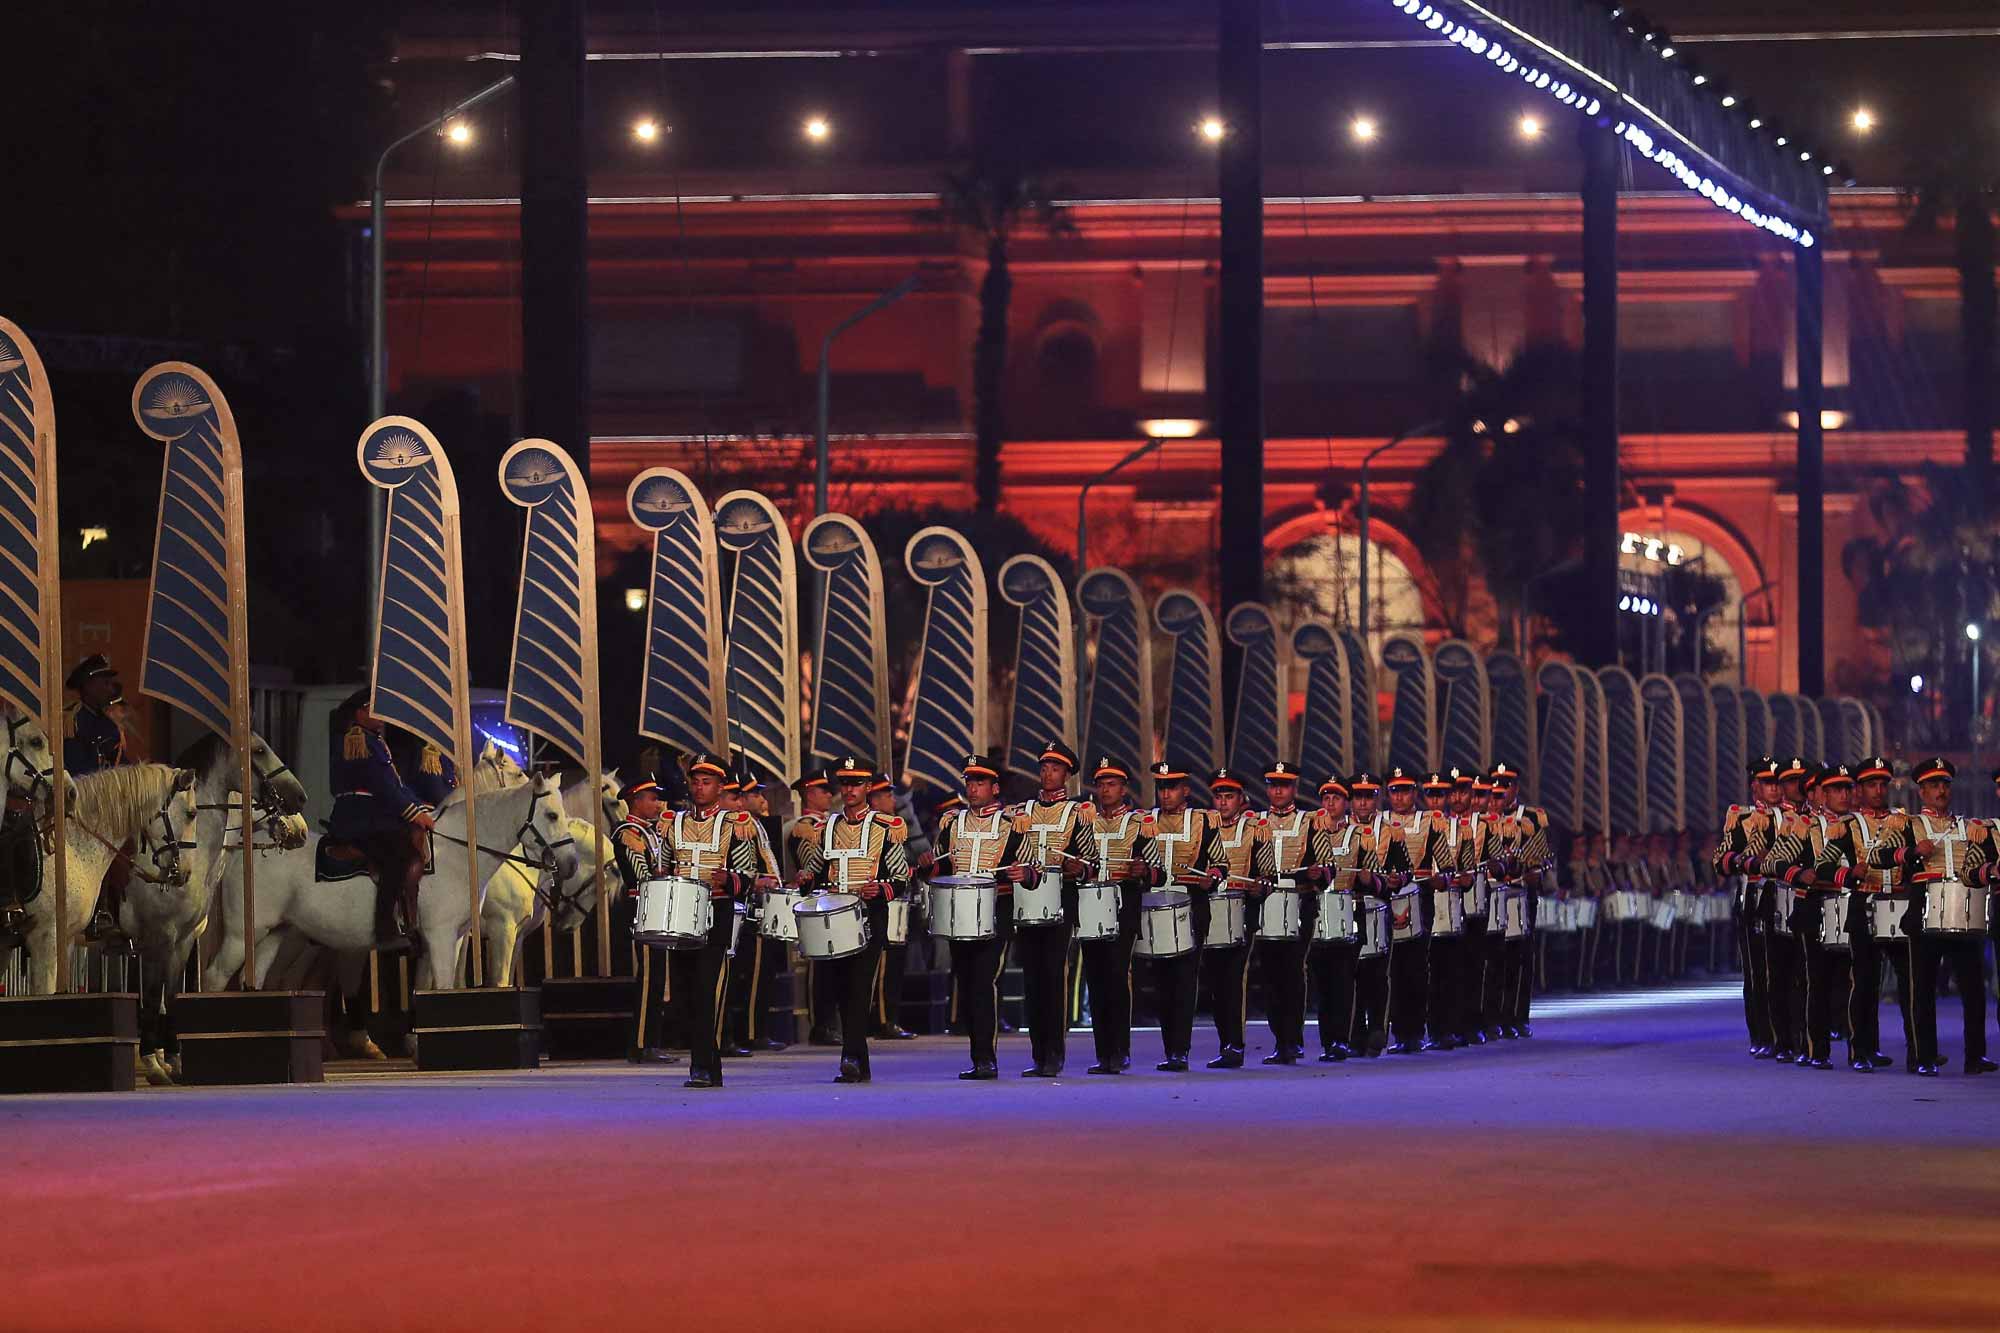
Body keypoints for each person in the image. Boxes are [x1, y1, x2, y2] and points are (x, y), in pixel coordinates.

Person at [796, 756, 912, 1083]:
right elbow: (816, 869)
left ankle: (850, 1056)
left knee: (860, 988)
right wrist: (806, 878)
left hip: (869, 915)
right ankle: (857, 1061)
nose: (849, 790)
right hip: (835, 916)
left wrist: (882, 888)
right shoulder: (828, 827)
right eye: (845, 783)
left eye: (856, 783)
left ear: (868, 787)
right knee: (841, 988)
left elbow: (901, 877)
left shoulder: (885, 827)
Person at [653, 751, 763, 1089]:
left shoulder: (735, 825)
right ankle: (708, 1065)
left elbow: (748, 874)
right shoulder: (673, 823)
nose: (699, 788)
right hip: (679, 914)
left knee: (706, 991)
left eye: (707, 782)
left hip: (716, 913)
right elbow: (664, 865)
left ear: (720, 787)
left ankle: (701, 1065)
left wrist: (729, 880)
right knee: (684, 994)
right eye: (696, 781)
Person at [927, 753, 1021, 1079]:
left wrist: (1024, 874)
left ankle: (986, 1059)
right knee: (967, 983)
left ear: (995, 788)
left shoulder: (1012, 824)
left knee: (984, 981)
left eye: (980, 782)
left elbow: (1031, 868)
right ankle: (977, 1055)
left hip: (995, 912)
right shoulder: (952, 823)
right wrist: (927, 865)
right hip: (959, 913)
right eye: (969, 781)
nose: (973, 788)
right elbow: (941, 864)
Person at [1897, 757, 1993, 1077]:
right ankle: (1923, 1056)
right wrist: (1912, 852)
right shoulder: (1907, 825)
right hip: (1924, 911)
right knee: (1922, 989)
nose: (1941, 790)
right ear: (1921, 791)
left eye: (1945, 784)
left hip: (1963, 913)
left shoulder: (1968, 827)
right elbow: (1882, 858)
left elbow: (1979, 864)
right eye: (1934, 785)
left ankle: (1975, 1056)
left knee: (1974, 989)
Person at [324, 688, 436, 953]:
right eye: (373, 709)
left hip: (373, 816)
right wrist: (414, 814)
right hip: (359, 819)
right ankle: (386, 928)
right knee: (400, 857)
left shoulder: (373, 740)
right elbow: (383, 786)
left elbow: (396, 785)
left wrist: (422, 809)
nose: (381, 715)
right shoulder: (357, 740)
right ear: (359, 713)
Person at [1008, 741, 1091, 1078]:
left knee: (1054, 977)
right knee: (1032, 979)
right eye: (1044, 767)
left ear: (1066, 775)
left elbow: (1090, 862)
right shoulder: (1021, 811)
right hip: (1026, 901)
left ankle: (1055, 1053)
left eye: (1055, 768)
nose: (1047, 773)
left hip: (1060, 902)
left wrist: (1077, 867)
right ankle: (1038, 1053)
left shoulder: (1077, 812)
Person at [1075, 756, 1156, 1074]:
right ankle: (1103, 1053)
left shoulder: (1140, 823)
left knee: (1118, 976)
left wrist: (1143, 871)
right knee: (1095, 980)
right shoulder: (1086, 822)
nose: (1105, 790)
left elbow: (1157, 869)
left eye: (1112, 784)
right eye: (1101, 784)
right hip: (1090, 905)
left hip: (1124, 907)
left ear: (1124, 788)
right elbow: (1079, 860)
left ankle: (1120, 1050)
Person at [1143, 760, 1213, 1071]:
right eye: (1161, 787)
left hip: (1190, 909)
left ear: (1185, 790)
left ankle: (1180, 1050)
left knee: (1184, 981)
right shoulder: (1145, 821)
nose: (1165, 793)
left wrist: (1212, 877)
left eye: (1171, 787)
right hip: (1155, 909)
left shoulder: (1203, 821)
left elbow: (1220, 863)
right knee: (1161, 984)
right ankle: (1169, 1047)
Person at [1195, 767, 1265, 1069]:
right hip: (1209, 911)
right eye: (1219, 796)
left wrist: (1259, 887)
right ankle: (1225, 1043)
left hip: (1242, 913)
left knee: (1234, 980)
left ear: (1241, 798)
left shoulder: (1255, 829)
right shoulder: (1202, 827)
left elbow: (1267, 874)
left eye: (1229, 796)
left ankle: (1235, 1044)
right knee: (1215, 983)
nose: (1223, 802)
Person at [1714, 757, 1781, 1057]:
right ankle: (1761, 1034)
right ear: (1755, 786)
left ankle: (1787, 1036)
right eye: (1767, 783)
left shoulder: (1794, 819)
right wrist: (1746, 861)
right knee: (1757, 972)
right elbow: (1721, 859)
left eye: (1777, 782)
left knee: (1786, 971)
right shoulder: (1743, 819)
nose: (1774, 789)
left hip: (1786, 899)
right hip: (1754, 900)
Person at [1376, 766, 1446, 1054]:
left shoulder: (1430, 822)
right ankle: (1398, 1031)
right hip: (1385, 899)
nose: (1399, 797)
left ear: (1414, 793)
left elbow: (1447, 866)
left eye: (1404, 791)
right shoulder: (1378, 823)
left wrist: (1438, 878)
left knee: (1415, 968)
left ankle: (1415, 1031)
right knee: (1390, 969)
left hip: (1420, 899)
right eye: (1394, 791)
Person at [1255, 760, 1319, 1065]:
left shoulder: (1311, 822)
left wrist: (1316, 874)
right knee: (1270, 975)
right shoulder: (1255, 823)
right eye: (1273, 785)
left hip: (1299, 905)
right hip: (1265, 906)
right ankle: (1280, 1039)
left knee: (1293, 972)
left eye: (1284, 785)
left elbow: (1327, 868)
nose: (1278, 791)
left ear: (1294, 788)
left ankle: (1293, 1040)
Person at [611, 775, 676, 1065]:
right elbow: (641, 876)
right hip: (643, 908)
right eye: (652, 798)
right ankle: (640, 1045)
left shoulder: (649, 832)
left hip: (656, 907)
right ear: (635, 801)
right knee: (650, 978)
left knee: (658, 978)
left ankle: (652, 1042)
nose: (657, 803)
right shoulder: (628, 833)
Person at [722, 764, 784, 1057]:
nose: (761, 799)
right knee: (751, 971)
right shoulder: (733, 825)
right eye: (750, 795)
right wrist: (755, 881)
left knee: (762, 971)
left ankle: (755, 1030)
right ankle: (749, 1032)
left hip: (756, 902)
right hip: (743, 903)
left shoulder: (753, 824)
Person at [1310, 775, 1373, 1061]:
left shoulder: (1360, 835)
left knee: (1345, 981)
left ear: (1346, 803)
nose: (1330, 803)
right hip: (1317, 915)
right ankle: (1328, 1041)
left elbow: (1377, 879)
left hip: (1350, 913)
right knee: (1323, 984)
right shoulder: (1310, 834)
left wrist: (1366, 879)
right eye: (1325, 798)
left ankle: (1344, 1039)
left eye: (1336, 798)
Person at [1488, 762, 1550, 1038]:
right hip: (1492, 893)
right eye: (1495, 787)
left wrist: (1535, 871)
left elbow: (1542, 857)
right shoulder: (1483, 819)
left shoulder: (1532, 817)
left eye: (1506, 786)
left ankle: (1517, 1016)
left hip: (1521, 891)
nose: (1500, 792)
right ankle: (1493, 1016)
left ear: (1515, 788)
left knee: (1520, 956)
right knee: (1493, 957)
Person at [786, 769, 843, 1046]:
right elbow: (810, 867)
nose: (830, 795)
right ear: (809, 794)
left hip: (834, 901)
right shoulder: (806, 827)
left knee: (835, 966)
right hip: (816, 899)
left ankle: (831, 1022)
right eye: (824, 790)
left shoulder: (830, 824)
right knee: (819, 967)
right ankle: (820, 1025)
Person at [866, 773, 918, 1040]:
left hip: (896, 897)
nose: (892, 799)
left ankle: (889, 1018)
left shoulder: (894, 826)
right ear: (873, 799)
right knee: (884, 962)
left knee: (895, 962)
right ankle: (883, 1020)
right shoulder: (872, 828)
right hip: (877, 900)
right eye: (886, 795)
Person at [1419, 770, 1465, 1051]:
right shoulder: (1415, 826)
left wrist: (1455, 878)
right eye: (1431, 794)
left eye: (1441, 794)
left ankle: (1449, 1028)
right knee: (1424, 972)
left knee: (1450, 971)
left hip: (1450, 903)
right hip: (1423, 903)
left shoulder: (1461, 828)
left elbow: (1467, 867)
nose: (1436, 800)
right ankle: (1428, 1029)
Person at [1348, 772, 1392, 1057]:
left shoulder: (1390, 831)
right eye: (1358, 797)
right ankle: (1354, 1035)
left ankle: (1377, 1028)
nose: (1363, 802)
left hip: (1377, 907)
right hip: (1346, 908)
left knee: (1377, 974)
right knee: (1350, 975)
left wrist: (1375, 882)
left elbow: (1402, 873)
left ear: (1377, 798)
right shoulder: (1340, 829)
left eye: (1369, 796)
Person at [62, 654, 125, 776]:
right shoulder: (71, 722)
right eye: (105, 683)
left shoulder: (110, 725)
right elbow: (76, 771)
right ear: (88, 686)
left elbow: (121, 767)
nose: (111, 690)